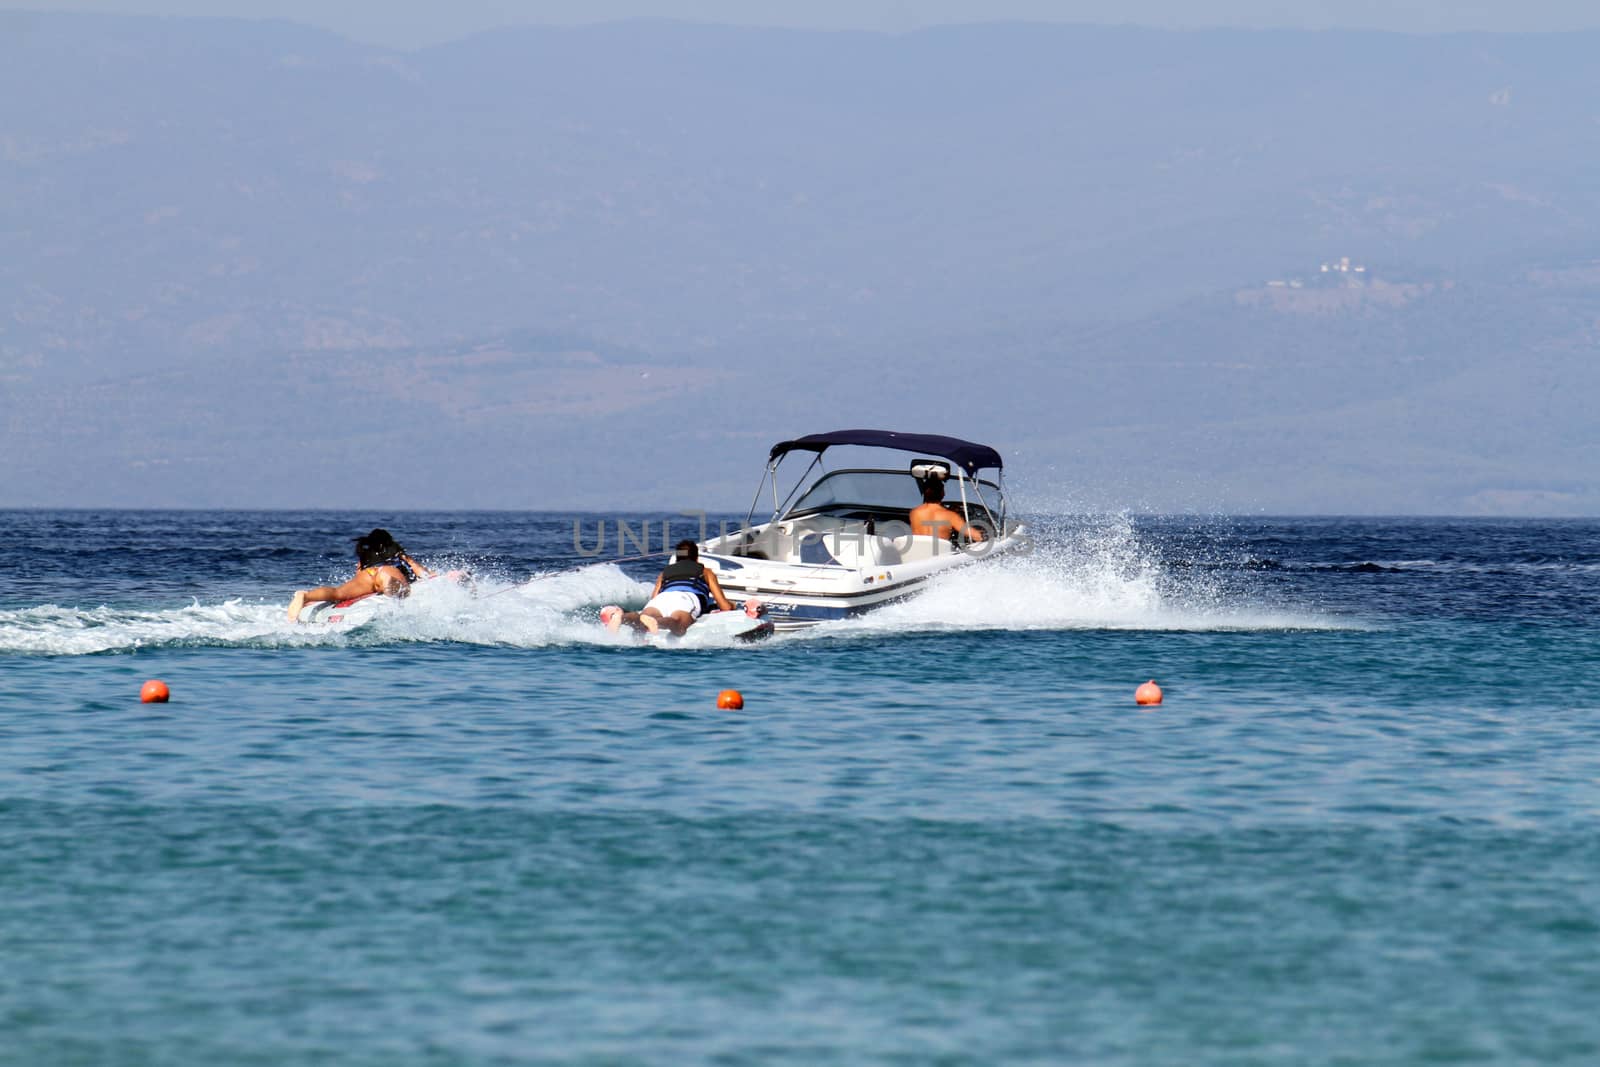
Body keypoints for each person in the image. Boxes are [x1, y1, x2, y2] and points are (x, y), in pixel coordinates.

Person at [287, 528, 436, 622]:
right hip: (386, 572)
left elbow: (359, 572)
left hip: (368, 574)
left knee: (338, 593)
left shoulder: (365, 553)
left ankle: (305, 596)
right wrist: (430, 577)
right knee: (402, 592)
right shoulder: (395, 549)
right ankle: (389, 585)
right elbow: (415, 566)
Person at [604, 539, 735, 637]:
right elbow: (725, 607)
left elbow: (654, 598)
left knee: (642, 619)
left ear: (677, 558)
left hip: (661, 599)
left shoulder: (664, 573)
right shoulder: (705, 571)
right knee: (678, 624)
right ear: (696, 557)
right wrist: (732, 606)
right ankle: (657, 622)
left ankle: (622, 617)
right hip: (685, 599)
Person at [910, 476, 986, 544]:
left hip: (917, 557)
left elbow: (931, 516)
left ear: (925, 493)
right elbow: (977, 536)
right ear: (943, 493)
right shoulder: (951, 516)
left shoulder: (914, 513)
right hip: (940, 557)